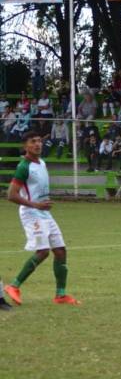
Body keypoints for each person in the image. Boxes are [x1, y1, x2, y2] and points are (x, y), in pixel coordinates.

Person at [4, 131, 80, 306]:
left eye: (39, 141)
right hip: (31, 214)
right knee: (43, 251)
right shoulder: (24, 167)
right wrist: (35, 205)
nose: (38, 144)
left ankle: (60, 295)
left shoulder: (42, 163)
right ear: (25, 146)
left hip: (44, 213)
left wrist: (41, 205)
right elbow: (11, 195)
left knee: (60, 251)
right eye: (33, 141)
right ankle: (13, 286)